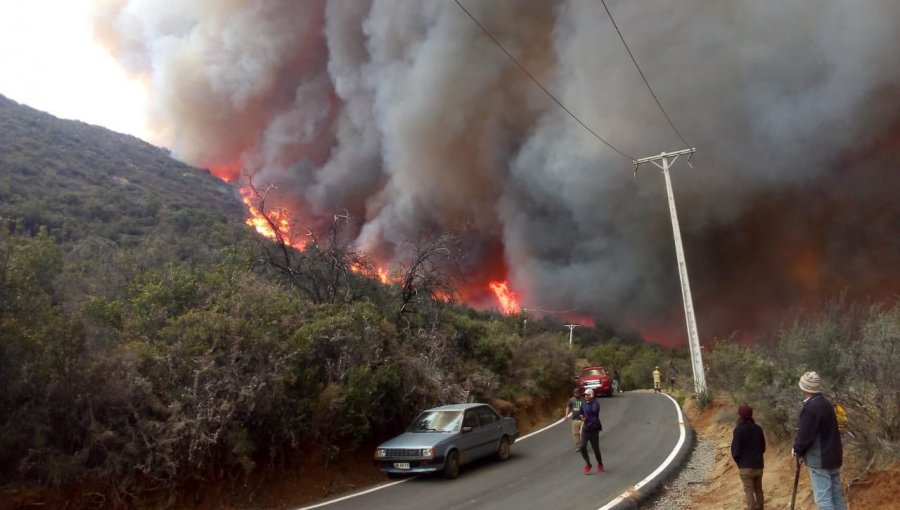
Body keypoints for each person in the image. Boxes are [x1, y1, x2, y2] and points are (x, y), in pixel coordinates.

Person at [792, 371, 846, 510]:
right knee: (835, 496)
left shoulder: (811, 408)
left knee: (824, 500)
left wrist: (797, 450)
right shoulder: (826, 404)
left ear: (803, 388)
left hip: (820, 459)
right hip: (833, 456)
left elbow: (805, 436)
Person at [731, 404, 766, 510]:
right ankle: (760, 507)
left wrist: (739, 463)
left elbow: (735, 451)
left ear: (739, 416)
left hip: (745, 467)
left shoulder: (738, 430)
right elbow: (763, 447)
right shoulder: (758, 429)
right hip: (759, 466)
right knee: (758, 489)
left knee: (749, 490)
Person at [578, 388, 604, 474]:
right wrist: (581, 417)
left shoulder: (596, 404)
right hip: (586, 429)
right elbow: (580, 413)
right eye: (585, 395)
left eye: (587, 395)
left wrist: (591, 401)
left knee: (596, 449)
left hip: (594, 429)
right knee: (582, 447)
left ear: (592, 395)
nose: (585, 396)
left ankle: (600, 464)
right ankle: (588, 464)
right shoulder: (583, 404)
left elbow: (594, 411)